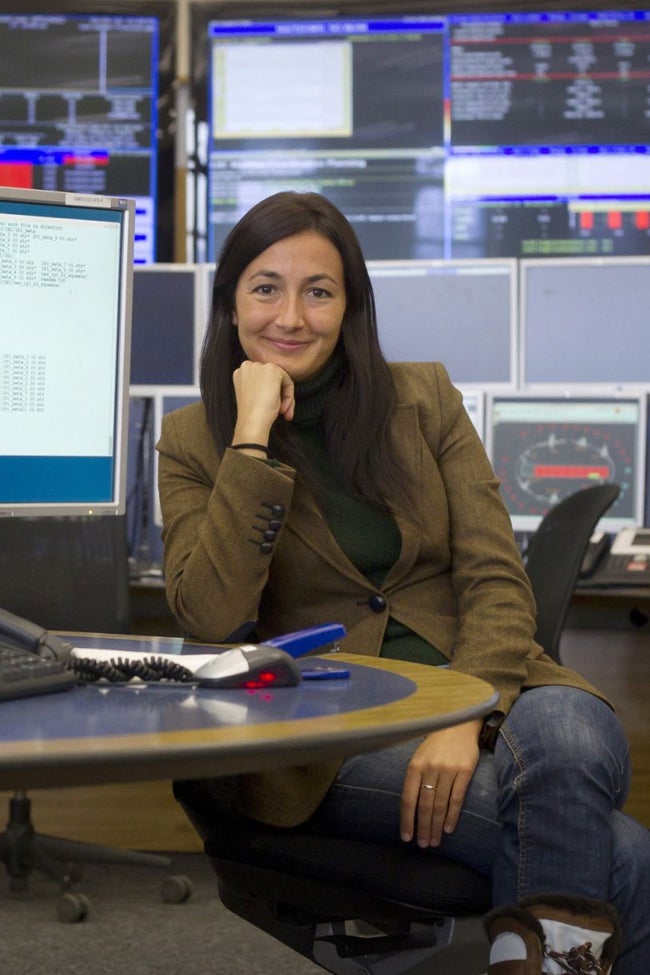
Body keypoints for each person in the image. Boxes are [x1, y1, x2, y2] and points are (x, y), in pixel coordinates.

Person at [156, 191, 650, 974]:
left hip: (484, 690)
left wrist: (463, 711)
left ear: (349, 306)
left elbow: (495, 574)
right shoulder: (193, 439)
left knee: (573, 733)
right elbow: (212, 614)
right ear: (230, 303)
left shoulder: (423, 397)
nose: (291, 314)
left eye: (318, 290)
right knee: (623, 857)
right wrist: (250, 439)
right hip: (330, 737)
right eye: (265, 287)